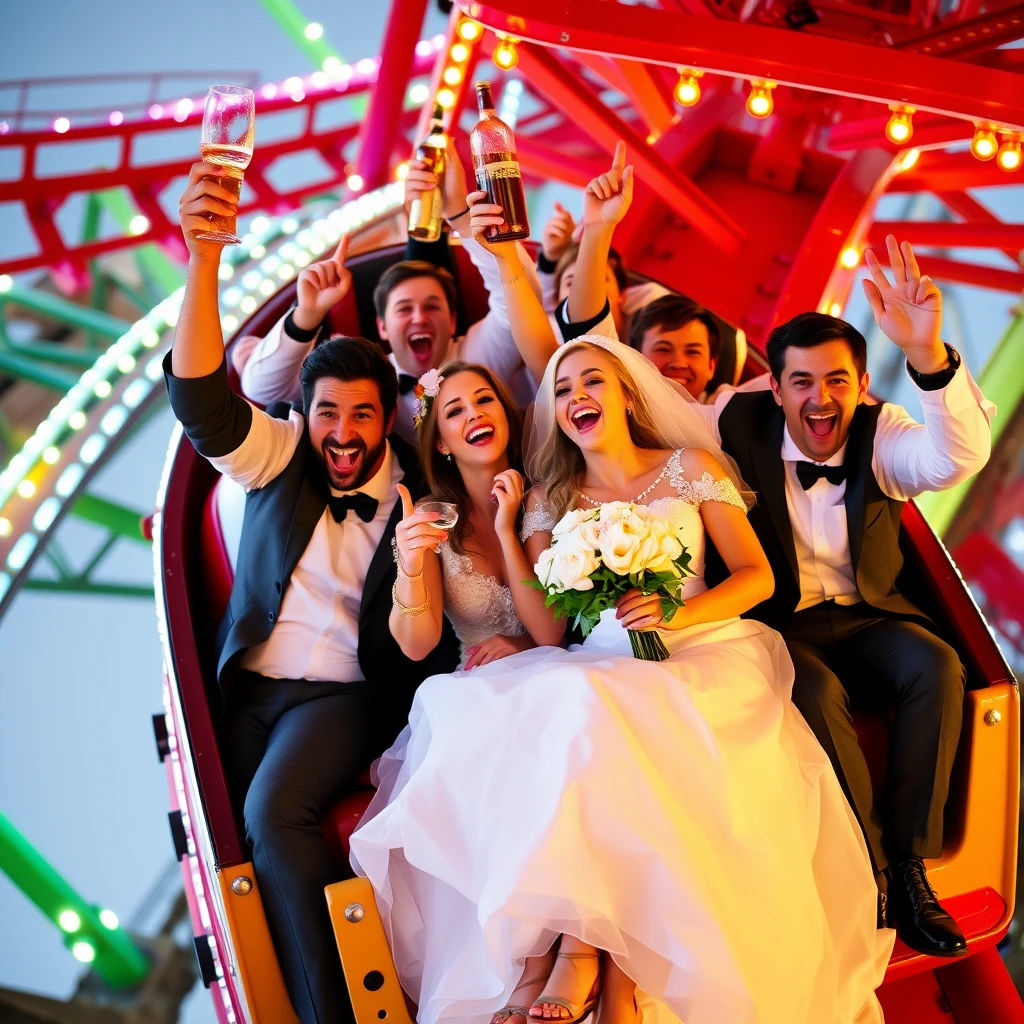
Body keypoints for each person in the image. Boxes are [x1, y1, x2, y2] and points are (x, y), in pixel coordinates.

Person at [349, 332, 893, 1024]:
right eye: (563, 389)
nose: (577, 396)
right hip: (603, 656)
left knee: (598, 708)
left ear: (628, 392)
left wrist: (677, 613)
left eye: (591, 382)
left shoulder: (692, 466)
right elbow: (550, 632)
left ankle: (589, 963)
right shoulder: (554, 497)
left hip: (701, 645)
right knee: (578, 704)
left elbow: (756, 577)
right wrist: (516, 530)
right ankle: (587, 962)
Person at [166, 162, 458, 1024]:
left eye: (362, 416)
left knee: (275, 812)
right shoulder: (284, 456)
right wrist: (203, 259)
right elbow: (202, 405)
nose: (342, 433)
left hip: (341, 696)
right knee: (242, 844)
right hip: (247, 688)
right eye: (328, 412)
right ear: (309, 412)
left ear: (386, 418)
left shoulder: (414, 491)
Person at [700, 237, 995, 957]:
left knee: (936, 663)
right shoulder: (729, 423)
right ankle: (870, 872)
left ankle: (911, 868)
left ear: (861, 384)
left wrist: (927, 356)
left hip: (868, 614)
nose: (819, 398)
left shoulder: (882, 431)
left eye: (836, 381)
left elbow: (955, 457)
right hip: (778, 627)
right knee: (817, 692)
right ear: (775, 388)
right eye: (800, 382)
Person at [240, 136, 554, 439]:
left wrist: (459, 215)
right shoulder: (365, 378)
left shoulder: (484, 351)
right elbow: (262, 389)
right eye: (404, 309)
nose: (419, 317)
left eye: (432, 306)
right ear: (382, 327)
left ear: (454, 320)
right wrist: (307, 315)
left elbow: (523, 299)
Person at [389, 360, 563, 670]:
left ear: (505, 414)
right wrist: (410, 567)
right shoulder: (431, 516)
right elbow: (417, 646)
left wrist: (506, 532)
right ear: (441, 442)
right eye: (455, 411)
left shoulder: (542, 498)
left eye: (484, 399)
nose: (474, 413)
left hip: (553, 670)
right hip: (479, 689)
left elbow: (550, 633)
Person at [629, 294, 722, 401]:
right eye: (663, 349)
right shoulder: (612, 414)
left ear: (712, 366)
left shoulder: (727, 412)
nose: (678, 364)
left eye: (692, 352)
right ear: (635, 359)